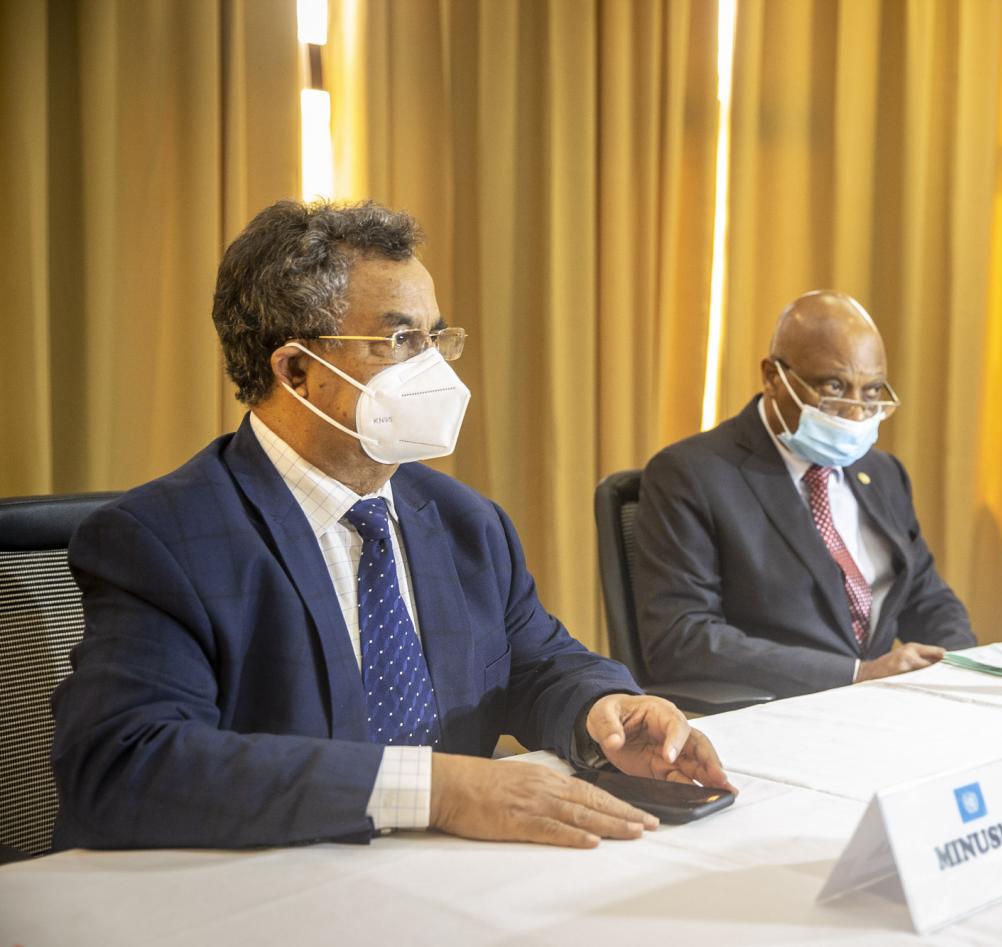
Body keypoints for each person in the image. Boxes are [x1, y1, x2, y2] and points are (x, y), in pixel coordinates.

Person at [51, 200, 730, 851]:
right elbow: (123, 761)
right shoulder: (161, 540)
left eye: (437, 339)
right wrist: (434, 791)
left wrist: (603, 708)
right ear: (296, 370)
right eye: (401, 340)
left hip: (453, 879)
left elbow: (536, 664)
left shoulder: (467, 522)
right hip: (264, 886)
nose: (433, 368)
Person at [635, 290, 974, 699]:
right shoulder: (692, 474)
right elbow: (681, 638)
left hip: (883, 705)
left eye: (871, 393)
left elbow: (926, 596)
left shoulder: (882, 473)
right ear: (772, 377)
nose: (855, 413)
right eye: (834, 386)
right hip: (774, 708)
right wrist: (856, 674)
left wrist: (962, 669)